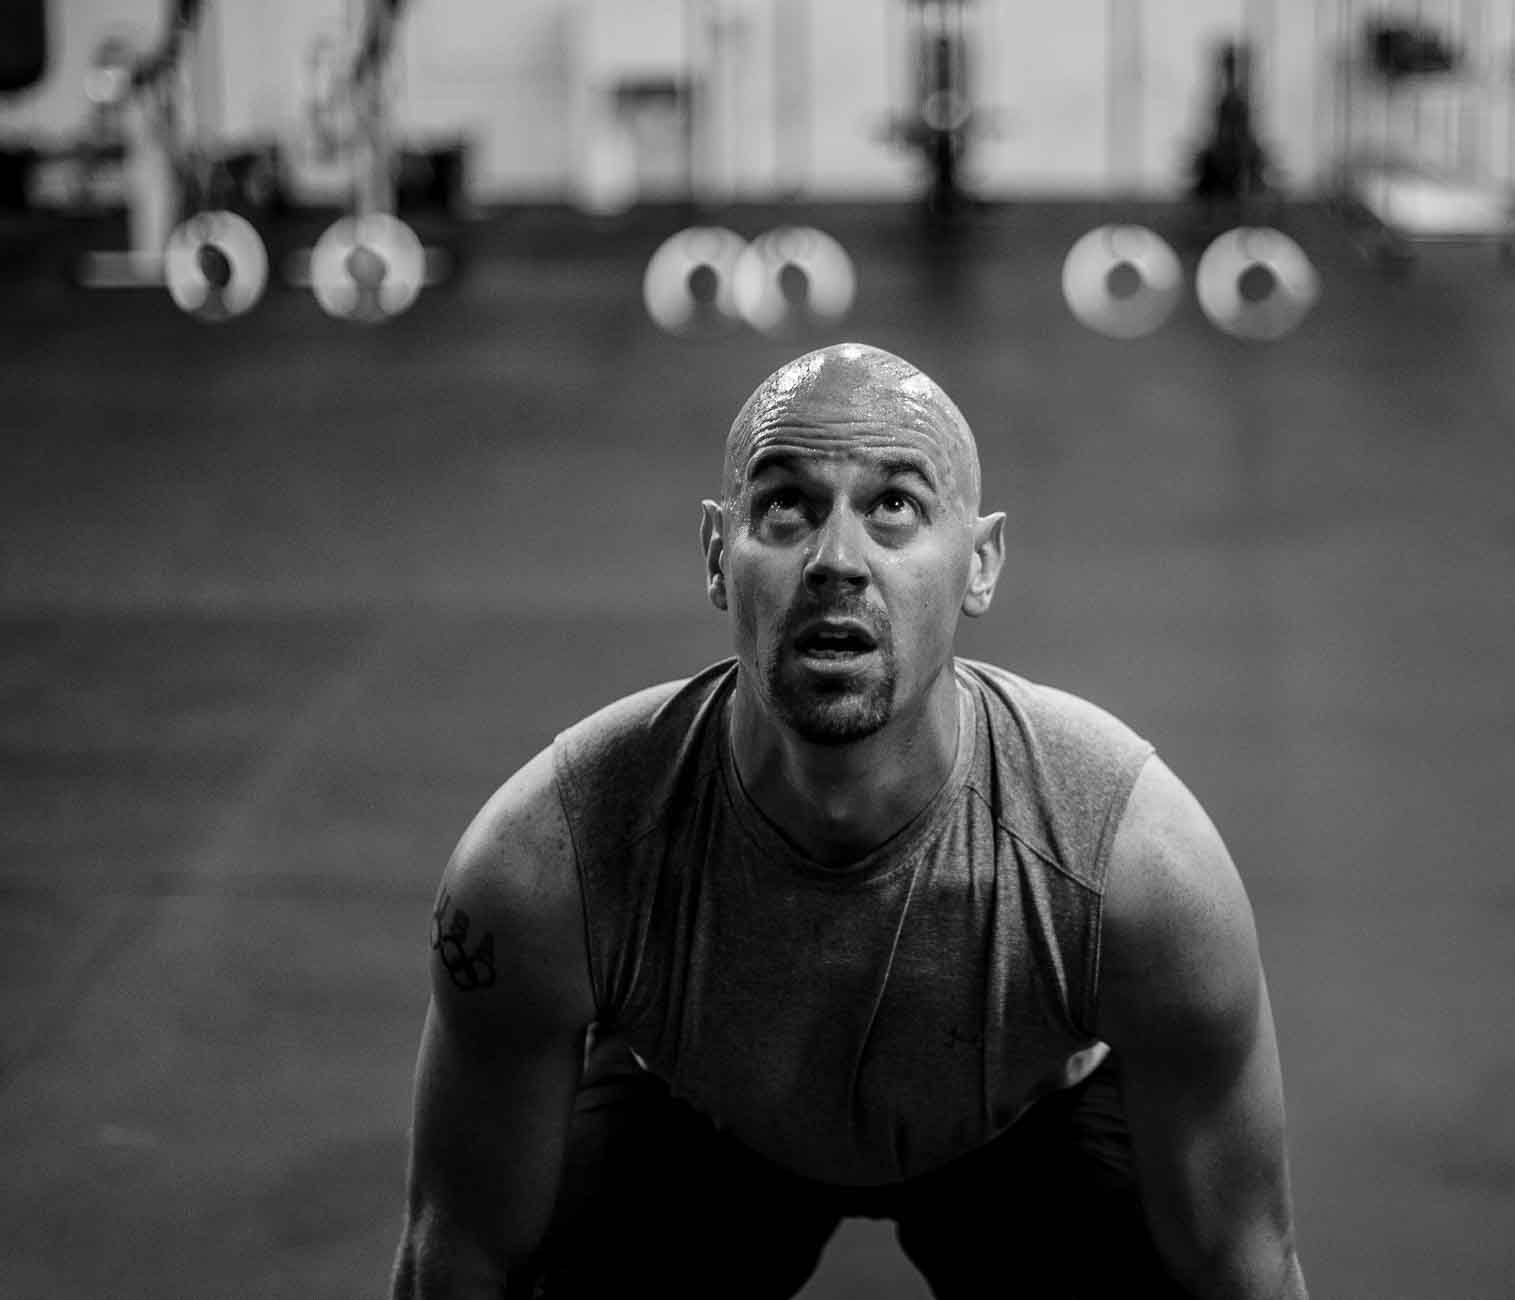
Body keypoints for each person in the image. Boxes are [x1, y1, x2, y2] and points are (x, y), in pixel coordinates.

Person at [390, 342, 1310, 1299]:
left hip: (1029, 1128)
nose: (838, 562)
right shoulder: (554, 860)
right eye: (787, 505)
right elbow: (459, 1254)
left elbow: (1242, 1265)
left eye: (895, 508)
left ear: (981, 564)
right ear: (717, 553)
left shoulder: (1135, 866)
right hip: (695, 1119)